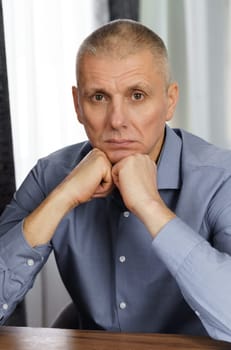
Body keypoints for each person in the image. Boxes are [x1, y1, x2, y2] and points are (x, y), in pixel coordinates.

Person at [0, 19, 231, 342]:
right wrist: (61, 198)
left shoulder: (222, 178)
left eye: (137, 95)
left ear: (169, 101)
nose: (117, 120)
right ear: (77, 105)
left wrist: (150, 207)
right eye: (99, 97)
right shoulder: (50, 175)